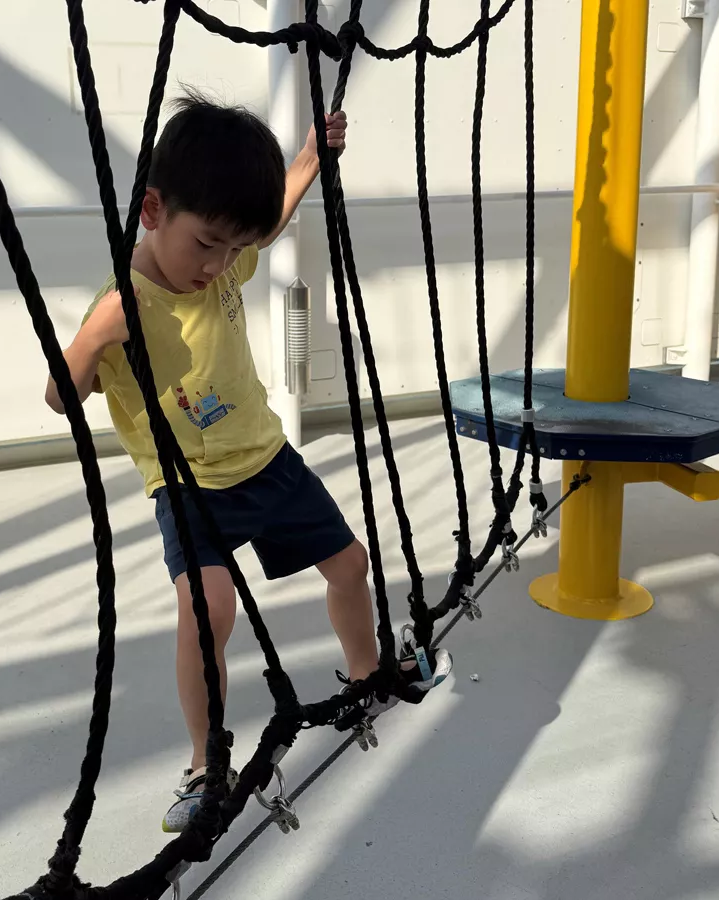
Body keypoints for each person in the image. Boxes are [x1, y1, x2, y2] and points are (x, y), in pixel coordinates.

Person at [44, 91, 451, 833]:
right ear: (153, 210)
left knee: (352, 565)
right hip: (190, 487)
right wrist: (92, 340)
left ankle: (366, 676)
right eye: (208, 245)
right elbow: (58, 399)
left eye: (235, 249)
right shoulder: (122, 303)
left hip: (265, 458)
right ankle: (206, 763)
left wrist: (308, 160)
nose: (221, 265)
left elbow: (278, 212)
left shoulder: (221, 259)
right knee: (209, 614)